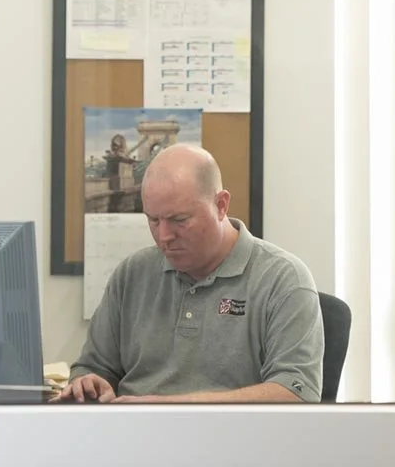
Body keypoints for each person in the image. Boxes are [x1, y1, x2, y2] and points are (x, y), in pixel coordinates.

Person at [62, 144, 324, 403]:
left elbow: (296, 392)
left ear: (221, 205)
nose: (164, 236)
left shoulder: (283, 279)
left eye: (179, 220)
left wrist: (168, 408)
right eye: (153, 220)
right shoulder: (132, 274)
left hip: (232, 439)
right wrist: (88, 382)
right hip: (134, 438)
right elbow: (92, 367)